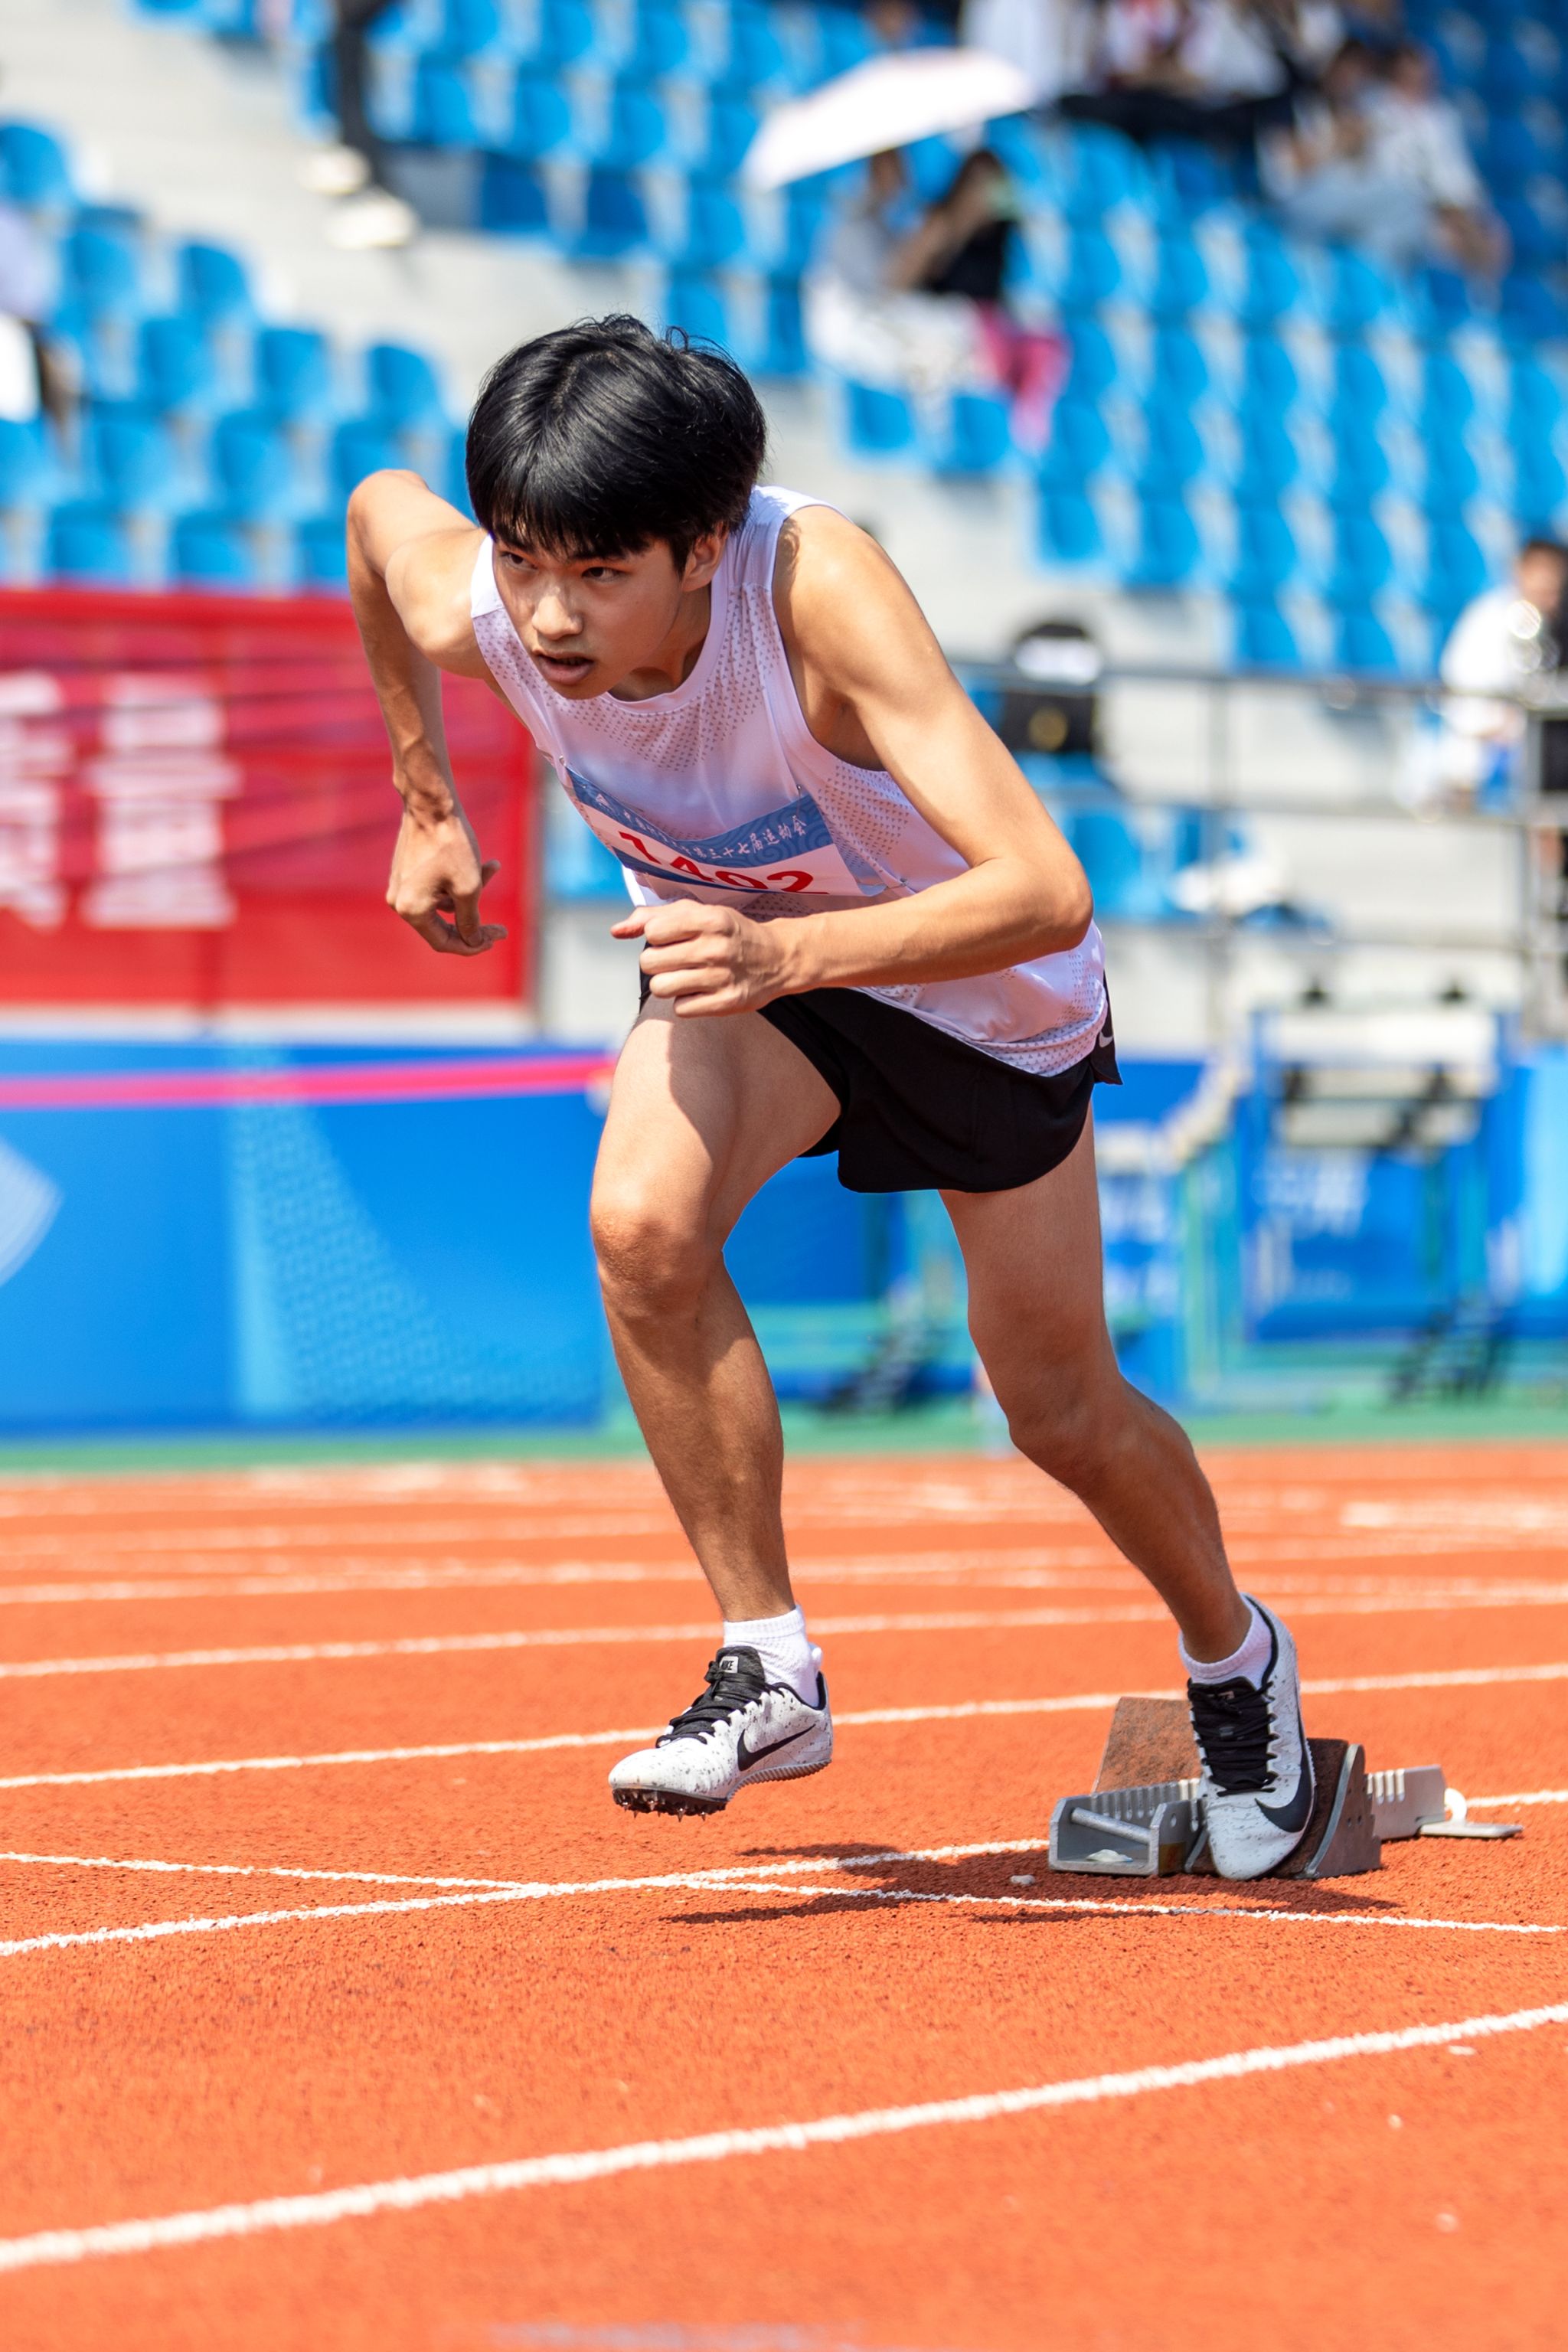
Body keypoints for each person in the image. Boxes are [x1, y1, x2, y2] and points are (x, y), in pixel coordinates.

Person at [346, 315, 1315, 1880]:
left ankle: (1236, 1658)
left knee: (1057, 1409)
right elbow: (376, 518)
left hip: (975, 992)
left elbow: (1045, 887)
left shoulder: (815, 597)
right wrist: (424, 797)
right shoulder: (493, 603)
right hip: (754, 979)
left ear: (703, 548)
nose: (549, 616)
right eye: (522, 563)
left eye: (598, 574)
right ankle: (770, 1663)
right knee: (641, 1227)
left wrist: (788, 946)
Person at [1436, 537, 1568, 807]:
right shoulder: (1487, 620)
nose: (1547, 598)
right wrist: (1508, 722)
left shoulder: (1558, 626)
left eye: (1553, 590)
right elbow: (1465, 696)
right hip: (1484, 765)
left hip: (1539, 759)